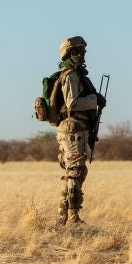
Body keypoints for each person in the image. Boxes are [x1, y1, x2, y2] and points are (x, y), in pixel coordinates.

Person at [54, 36, 106, 225]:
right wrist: (95, 99)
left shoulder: (74, 74)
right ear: (70, 53)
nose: (83, 55)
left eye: (83, 51)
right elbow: (72, 103)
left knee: (73, 172)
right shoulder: (70, 75)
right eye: (79, 51)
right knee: (76, 171)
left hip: (75, 129)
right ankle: (73, 219)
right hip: (73, 130)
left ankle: (62, 216)